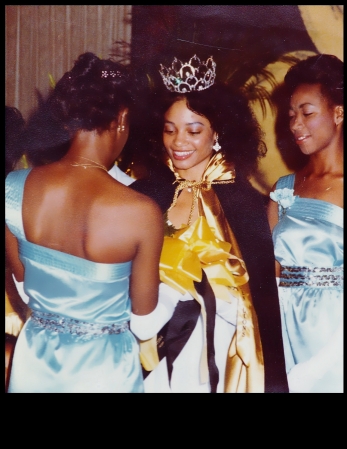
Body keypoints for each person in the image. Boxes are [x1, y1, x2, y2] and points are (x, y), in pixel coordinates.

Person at [5, 52, 168, 393]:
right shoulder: (140, 211)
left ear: (67, 121)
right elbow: (145, 323)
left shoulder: (11, 190)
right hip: (103, 370)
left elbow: (23, 288)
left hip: (35, 361)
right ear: (122, 119)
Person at [131, 54, 289, 393]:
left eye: (193, 130)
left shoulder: (244, 202)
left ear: (217, 132)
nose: (178, 142)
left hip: (220, 349)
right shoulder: (143, 194)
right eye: (170, 129)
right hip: (147, 348)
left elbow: (261, 294)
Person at [267, 54, 343, 393]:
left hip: (333, 340)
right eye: (292, 115)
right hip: (283, 330)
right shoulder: (283, 189)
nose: (296, 124)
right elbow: (273, 277)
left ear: (338, 113)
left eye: (307, 113)